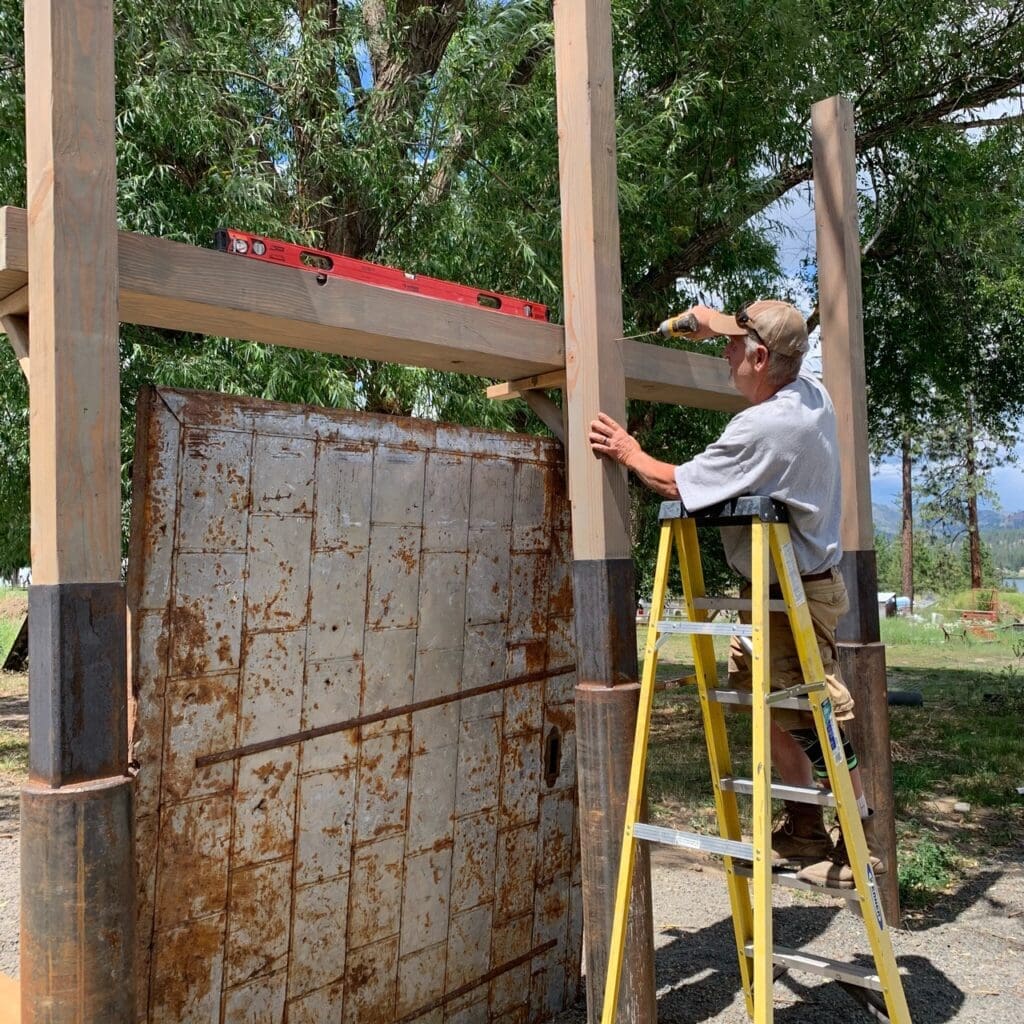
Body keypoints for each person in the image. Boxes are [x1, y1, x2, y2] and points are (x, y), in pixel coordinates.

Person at [588, 299, 883, 888]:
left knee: (813, 712)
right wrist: (712, 322)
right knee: (759, 694)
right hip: (779, 590)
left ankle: (858, 842)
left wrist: (627, 451)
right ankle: (803, 826)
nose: (724, 353)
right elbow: (756, 344)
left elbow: (673, 480)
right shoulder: (809, 393)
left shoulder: (767, 426)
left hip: (792, 594)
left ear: (760, 357)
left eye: (732, 347)